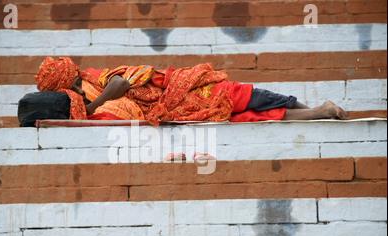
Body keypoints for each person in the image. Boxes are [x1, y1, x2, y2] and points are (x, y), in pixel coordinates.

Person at [34, 56, 349, 126]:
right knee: (247, 115)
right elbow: (114, 96)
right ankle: (319, 112)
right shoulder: (77, 99)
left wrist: (95, 100)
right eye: (71, 82)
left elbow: (124, 82)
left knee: (237, 95)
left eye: (75, 78)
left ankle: (315, 109)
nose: (76, 82)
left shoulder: (91, 80)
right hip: (169, 108)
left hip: (171, 90)